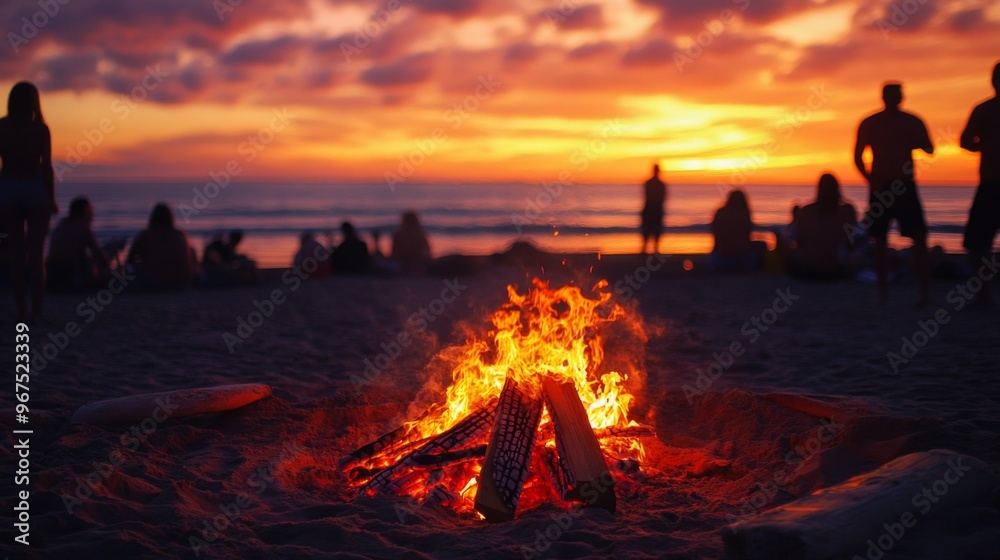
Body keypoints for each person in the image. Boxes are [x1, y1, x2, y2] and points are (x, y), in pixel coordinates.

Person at [854, 82, 934, 305]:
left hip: (905, 185)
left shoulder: (912, 121)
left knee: (918, 238)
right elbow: (858, 156)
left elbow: (929, 148)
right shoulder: (870, 123)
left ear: (901, 98)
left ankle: (922, 293)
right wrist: (871, 180)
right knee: (879, 240)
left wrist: (914, 142)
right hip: (881, 186)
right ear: (885, 97)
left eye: (896, 95)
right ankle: (883, 294)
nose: (893, 99)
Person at [0, 82, 55, 324]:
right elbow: (46, 167)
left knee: (15, 255)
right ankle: (37, 312)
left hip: (8, 187)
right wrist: (51, 197)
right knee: (35, 254)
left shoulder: (1, 126)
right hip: (34, 188)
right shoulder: (40, 129)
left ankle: (21, 312)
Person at [960, 62, 1000, 307]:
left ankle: (983, 294)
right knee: (976, 243)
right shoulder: (983, 110)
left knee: (977, 243)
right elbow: (965, 141)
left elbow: (966, 141)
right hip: (990, 183)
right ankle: (983, 294)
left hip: (991, 184)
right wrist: (983, 145)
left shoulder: (984, 109)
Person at [786, 174, 859, 280]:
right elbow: (849, 241)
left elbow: (798, 238)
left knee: (780, 236)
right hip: (835, 270)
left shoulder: (806, 210)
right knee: (860, 251)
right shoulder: (847, 211)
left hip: (805, 269)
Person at [126, 203, 198, 289]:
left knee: (134, 268)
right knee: (191, 250)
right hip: (181, 283)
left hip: (152, 283)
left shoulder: (146, 235)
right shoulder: (180, 235)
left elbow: (130, 260)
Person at [46, 197, 110, 291]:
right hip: (69, 275)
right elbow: (99, 256)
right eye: (90, 212)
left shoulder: (60, 226)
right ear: (84, 213)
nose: (92, 216)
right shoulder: (83, 228)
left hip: (51, 273)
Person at [709, 189, 766, 270]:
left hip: (717, 259)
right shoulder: (743, 214)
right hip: (741, 261)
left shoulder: (720, 212)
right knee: (762, 245)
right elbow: (745, 238)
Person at [641, 163, 667, 254]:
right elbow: (662, 198)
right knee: (651, 232)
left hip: (651, 210)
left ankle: (648, 251)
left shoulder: (650, 183)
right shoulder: (659, 184)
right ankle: (650, 250)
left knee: (649, 232)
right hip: (654, 210)